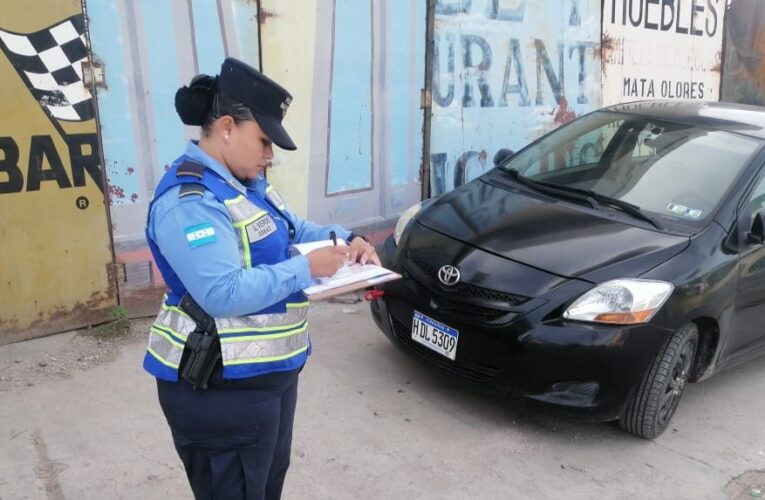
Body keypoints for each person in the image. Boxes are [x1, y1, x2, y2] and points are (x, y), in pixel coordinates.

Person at [142, 57, 380, 499]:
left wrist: (350, 240)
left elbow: (293, 228)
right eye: (265, 141)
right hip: (218, 390)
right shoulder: (190, 200)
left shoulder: (246, 182)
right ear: (227, 127)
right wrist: (307, 268)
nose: (270, 156)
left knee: (266, 486)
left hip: (267, 380)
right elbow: (221, 291)